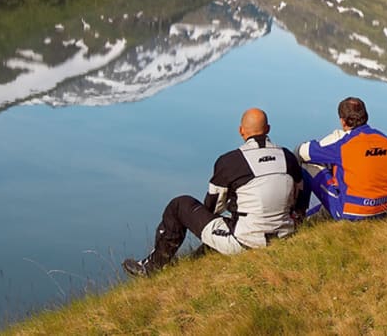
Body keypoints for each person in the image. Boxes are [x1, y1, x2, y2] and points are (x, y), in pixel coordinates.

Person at [122, 107, 302, 277]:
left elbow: (213, 207)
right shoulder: (287, 157)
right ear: (268, 129)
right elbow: (299, 195)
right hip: (285, 235)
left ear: (241, 131)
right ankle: (198, 255)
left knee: (179, 205)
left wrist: (203, 220)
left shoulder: (230, 161)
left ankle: (151, 267)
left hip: (246, 242)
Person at [295, 97, 387, 221]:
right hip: (386, 208)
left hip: (353, 213)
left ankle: (298, 215)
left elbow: (304, 152)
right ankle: (318, 212)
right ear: (366, 116)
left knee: (308, 166)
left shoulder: (343, 145)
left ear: (343, 122)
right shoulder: (386, 141)